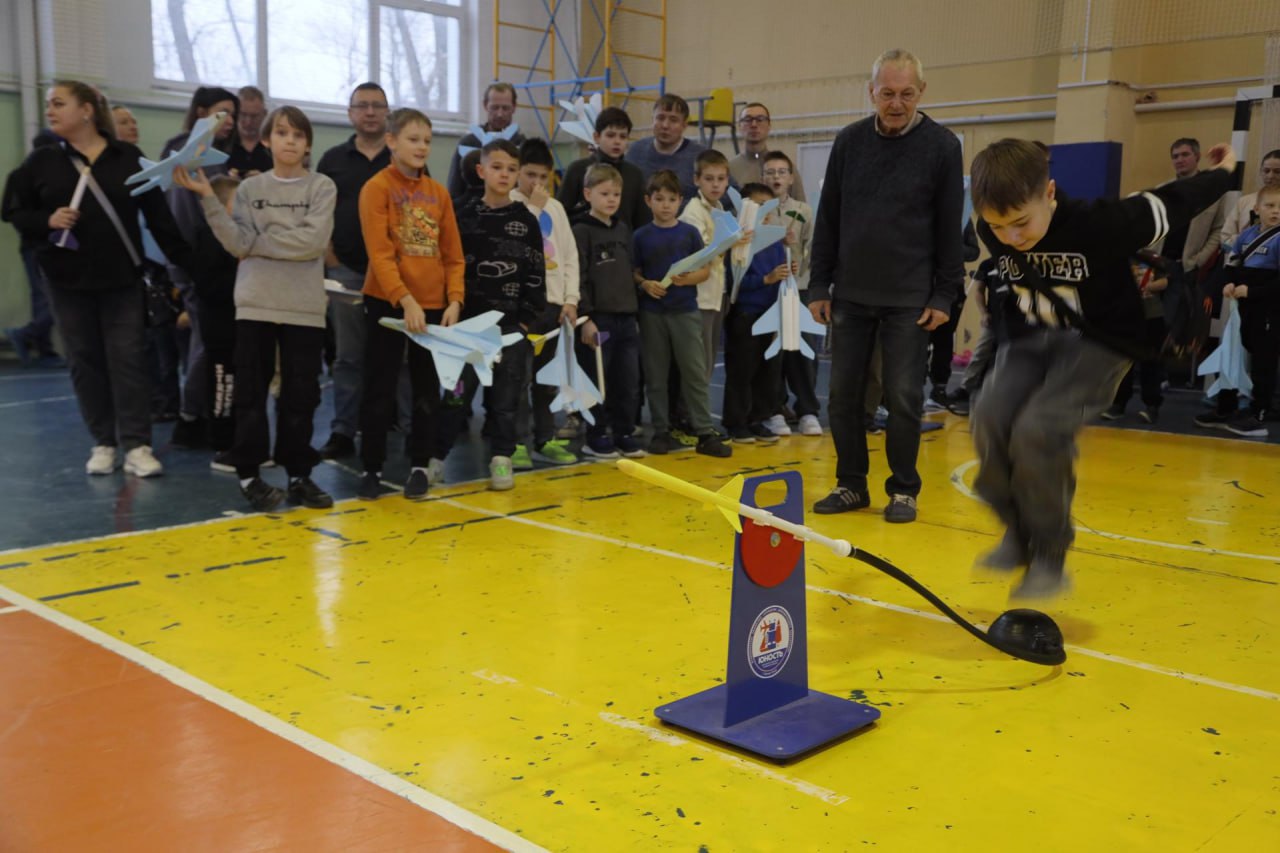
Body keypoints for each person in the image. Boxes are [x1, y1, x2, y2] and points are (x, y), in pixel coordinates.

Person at [968, 137, 1234, 597]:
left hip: (1100, 343)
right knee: (987, 417)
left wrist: (1224, 172)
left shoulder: (1101, 223)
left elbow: (1174, 201)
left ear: (1049, 192)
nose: (1010, 236)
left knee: (1038, 429)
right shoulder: (991, 228)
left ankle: (1050, 552)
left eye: (1021, 223)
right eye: (998, 226)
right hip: (1032, 339)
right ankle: (1016, 530)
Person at [808, 49, 964, 523]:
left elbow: (947, 226)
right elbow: (829, 217)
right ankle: (851, 484)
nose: (896, 103)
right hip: (851, 295)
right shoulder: (849, 142)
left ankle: (903, 490)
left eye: (906, 94)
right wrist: (819, 283)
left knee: (903, 397)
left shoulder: (942, 146)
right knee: (843, 398)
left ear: (921, 93)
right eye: (887, 93)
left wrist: (945, 294)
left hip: (909, 300)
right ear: (871, 92)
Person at [6, 80, 193, 476]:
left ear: (87, 110)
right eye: (48, 104)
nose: (50, 110)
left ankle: (138, 445)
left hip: (121, 280)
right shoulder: (41, 161)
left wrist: (191, 267)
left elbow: (160, 218)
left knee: (128, 359)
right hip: (65, 281)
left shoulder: (128, 158)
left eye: (59, 103)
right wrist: (47, 220)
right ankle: (103, 442)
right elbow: (13, 210)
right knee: (84, 360)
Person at [175, 105, 338, 512]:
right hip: (254, 306)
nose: (289, 141)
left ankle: (299, 475)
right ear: (266, 140)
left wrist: (260, 243)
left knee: (301, 395)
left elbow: (312, 244)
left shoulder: (322, 188)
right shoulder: (248, 190)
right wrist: (209, 199)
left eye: (298, 135)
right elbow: (234, 242)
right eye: (281, 133)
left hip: (303, 308)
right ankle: (249, 475)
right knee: (250, 395)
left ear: (307, 145)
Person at [355, 108, 464, 501]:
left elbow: (453, 254)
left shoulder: (439, 194)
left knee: (426, 390)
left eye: (427, 141)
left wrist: (455, 299)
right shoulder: (376, 189)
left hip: (434, 305)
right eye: (413, 139)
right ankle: (371, 466)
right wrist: (404, 300)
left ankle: (420, 465)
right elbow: (380, 255)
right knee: (379, 387)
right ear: (392, 141)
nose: (421, 147)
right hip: (387, 302)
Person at [315, 83, 410, 460]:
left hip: (398, 276)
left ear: (387, 113)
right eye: (362, 106)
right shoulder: (332, 160)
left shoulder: (403, 158)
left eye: (377, 106)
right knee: (349, 356)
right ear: (350, 113)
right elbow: (319, 214)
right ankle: (342, 431)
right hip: (348, 273)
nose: (370, 112)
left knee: (402, 356)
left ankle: (409, 428)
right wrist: (331, 259)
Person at [448, 139, 545, 489]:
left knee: (507, 400)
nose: (504, 174)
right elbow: (449, 265)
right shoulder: (460, 214)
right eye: (497, 167)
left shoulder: (526, 221)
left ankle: (502, 458)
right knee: (455, 396)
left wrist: (524, 321)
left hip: (509, 327)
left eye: (511, 169)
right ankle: (431, 459)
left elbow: (536, 272)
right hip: (466, 326)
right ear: (481, 170)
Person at [632, 169, 731, 458]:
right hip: (652, 314)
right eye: (659, 199)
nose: (665, 205)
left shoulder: (689, 233)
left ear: (680, 201)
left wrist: (689, 279)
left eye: (671, 199)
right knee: (657, 374)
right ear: (648, 201)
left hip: (686, 311)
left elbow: (704, 270)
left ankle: (703, 431)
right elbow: (635, 273)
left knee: (695, 372)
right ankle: (661, 430)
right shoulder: (641, 236)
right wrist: (645, 284)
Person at [161, 86, 239, 449]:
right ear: (201, 112)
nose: (231, 122)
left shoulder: (216, 156)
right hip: (199, 264)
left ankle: (200, 413)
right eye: (223, 113)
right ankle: (191, 416)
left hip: (219, 261)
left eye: (233, 115)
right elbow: (178, 214)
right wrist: (185, 267)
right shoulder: (185, 153)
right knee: (206, 345)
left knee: (209, 344)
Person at [510, 138, 581, 469]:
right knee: (517, 378)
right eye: (529, 174)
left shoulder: (557, 208)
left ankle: (545, 437)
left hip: (552, 305)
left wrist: (571, 299)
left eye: (543, 176)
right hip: (521, 307)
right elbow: (519, 241)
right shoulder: (509, 204)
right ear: (517, 173)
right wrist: (534, 207)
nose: (537, 183)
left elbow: (568, 256)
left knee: (546, 378)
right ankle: (515, 442)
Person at [1195, 184, 1280, 437]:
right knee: (1233, 354)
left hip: (1269, 309)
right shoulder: (1246, 235)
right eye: (1270, 206)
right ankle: (1226, 407)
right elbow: (1232, 265)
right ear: (1256, 208)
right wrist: (1227, 283)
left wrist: (1252, 292)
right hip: (1243, 308)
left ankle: (1258, 413)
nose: (1276, 211)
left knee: (1264, 361)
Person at [573, 163, 643, 459]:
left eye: (616, 194)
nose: (611, 199)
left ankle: (624, 430)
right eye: (604, 193)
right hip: (598, 318)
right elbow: (578, 277)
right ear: (588, 194)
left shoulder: (624, 228)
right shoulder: (581, 231)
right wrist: (585, 319)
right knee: (595, 380)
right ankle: (596, 434)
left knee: (626, 380)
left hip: (626, 317)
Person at [721, 183, 791, 443]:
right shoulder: (739, 241)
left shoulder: (774, 242)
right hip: (746, 314)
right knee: (742, 370)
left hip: (770, 313)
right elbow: (734, 283)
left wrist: (788, 269)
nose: (765, 213)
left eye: (768, 207)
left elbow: (780, 274)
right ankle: (736, 422)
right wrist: (766, 279)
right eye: (758, 206)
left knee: (767, 371)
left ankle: (758, 418)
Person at [762, 150, 821, 436]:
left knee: (803, 353)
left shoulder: (803, 210)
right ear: (763, 177)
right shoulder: (758, 209)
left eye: (781, 172)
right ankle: (774, 410)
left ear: (790, 177)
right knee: (773, 355)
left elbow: (814, 248)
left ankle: (808, 409)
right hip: (769, 291)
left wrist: (804, 270)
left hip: (799, 289)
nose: (776, 177)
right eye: (770, 172)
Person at [189, 175, 242, 463]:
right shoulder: (210, 237)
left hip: (239, 326)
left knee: (241, 386)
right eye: (238, 202)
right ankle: (223, 442)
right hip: (221, 327)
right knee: (223, 385)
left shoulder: (240, 236)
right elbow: (208, 286)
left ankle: (239, 438)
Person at [2, 131, 64, 368]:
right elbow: (10, 214)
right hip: (41, 244)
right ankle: (26, 334)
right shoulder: (28, 176)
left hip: (39, 243)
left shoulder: (21, 175)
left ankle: (44, 348)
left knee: (42, 298)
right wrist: (46, 220)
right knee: (52, 299)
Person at [678, 149, 736, 383]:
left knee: (709, 358)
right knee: (697, 361)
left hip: (716, 293)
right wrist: (730, 240)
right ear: (696, 180)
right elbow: (700, 255)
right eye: (709, 179)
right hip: (699, 297)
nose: (715, 185)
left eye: (721, 179)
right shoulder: (693, 212)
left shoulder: (719, 208)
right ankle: (691, 415)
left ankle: (695, 414)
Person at [1101, 256, 1169, 424]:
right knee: (1122, 360)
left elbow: (1166, 281)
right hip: (1126, 314)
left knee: (1151, 361)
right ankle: (1118, 402)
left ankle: (1152, 404)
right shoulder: (1120, 258)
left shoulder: (1154, 259)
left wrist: (1150, 286)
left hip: (1152, 315)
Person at [557, 106, 648, 228]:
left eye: (623, 136)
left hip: (623, 244)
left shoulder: (635, 174)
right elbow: (560, 215)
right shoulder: (577, 170)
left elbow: (642, 222)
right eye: (611, 135)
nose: (617, 141)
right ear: (597, 137)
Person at [445, 82, 525, 200]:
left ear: (514, 107)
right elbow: (455, 186)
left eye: (505, 108)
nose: (500, 114)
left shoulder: (522, 145)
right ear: (485, 105)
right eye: (495, 107)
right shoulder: (468, 143)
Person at [625, 94, 706, 203]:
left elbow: (727, 193)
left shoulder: (701, 157)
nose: (665, 125)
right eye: (660, 118)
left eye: (673, 120)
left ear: (684, 125)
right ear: (652, 120)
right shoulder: (635, 152)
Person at [729, 103, 807, 202]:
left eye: (760, 119)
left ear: (769, 125)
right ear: (739, 126)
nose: (754, 124)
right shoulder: (730, 169)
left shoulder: (786, 167)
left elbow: (801, 207)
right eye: (748, 120)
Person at [1220, 148, 1280, 247]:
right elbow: (1225, 238)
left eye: (1277, 171)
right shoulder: (1245, 201)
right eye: (1266, 171)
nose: (1270, 176)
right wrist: (1247, 239)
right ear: (1261, 172)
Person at [227, 85, 272, 177]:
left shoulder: (274, 145)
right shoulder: (223, 142)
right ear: (235, 113)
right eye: (243, 115)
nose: (248, 122)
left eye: (254, 116)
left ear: (264, 114)